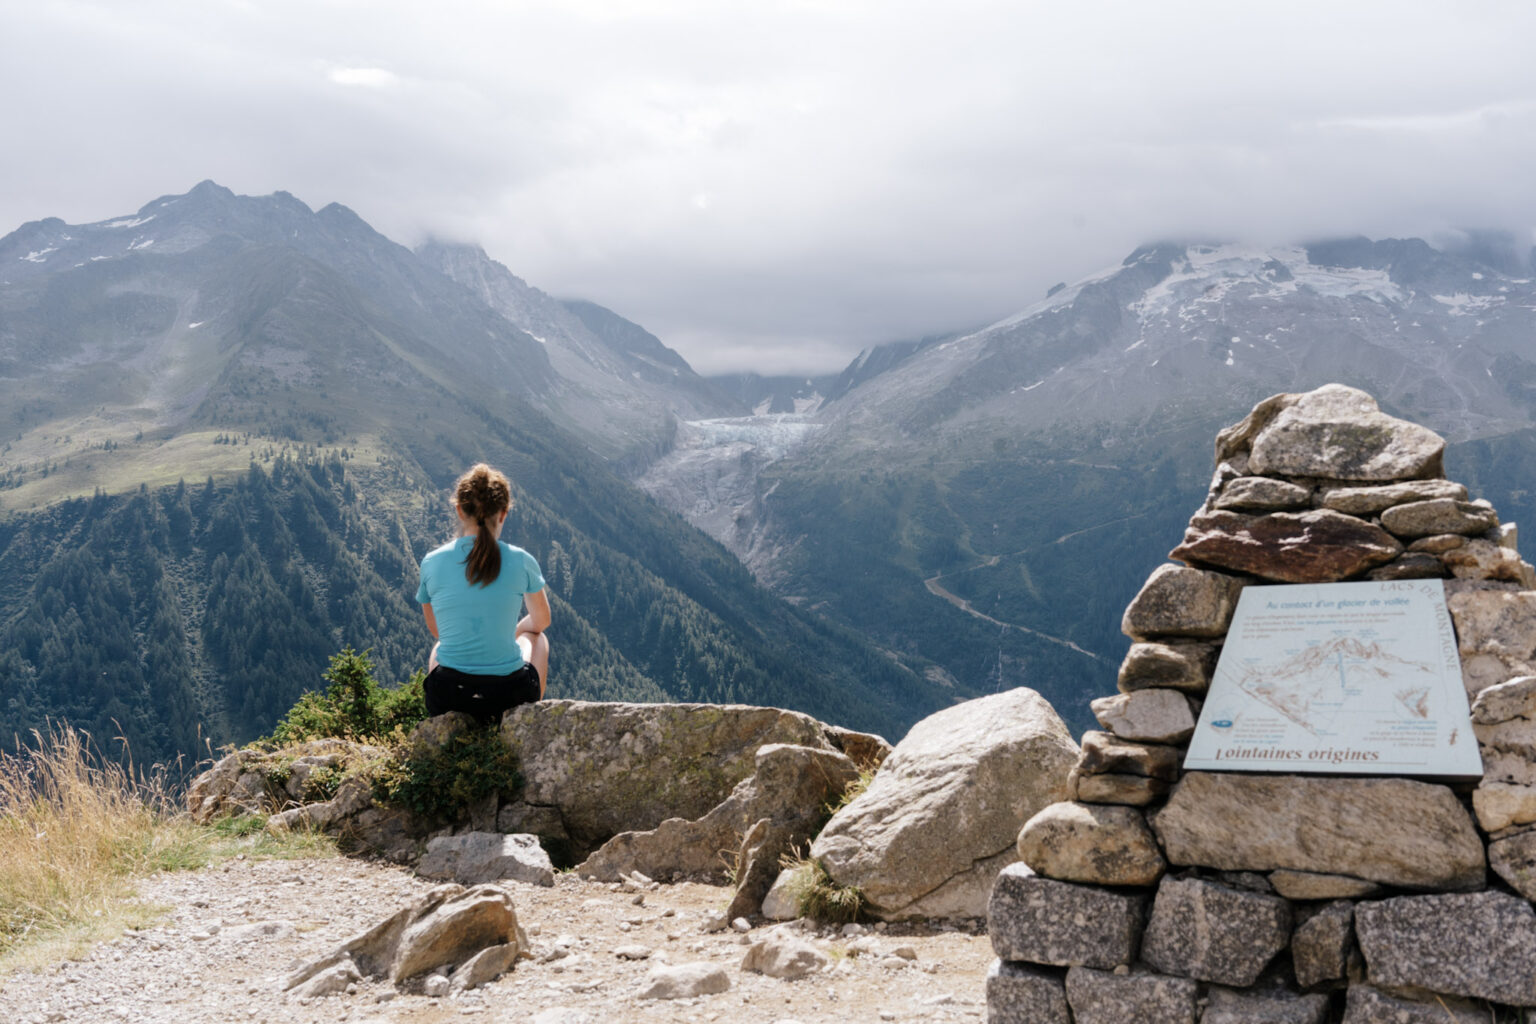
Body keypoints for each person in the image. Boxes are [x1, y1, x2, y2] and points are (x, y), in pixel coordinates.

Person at [415, 463, 551, 723]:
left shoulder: (432, 562)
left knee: (439, 646)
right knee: (538, 638)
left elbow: (438, 631)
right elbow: (542, 621)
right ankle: (523, 721)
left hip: (448, 697)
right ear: (503, 514)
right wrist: (518, 632)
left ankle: (446, 723)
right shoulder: (522, 560)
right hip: (509, 695)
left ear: (458, 510)